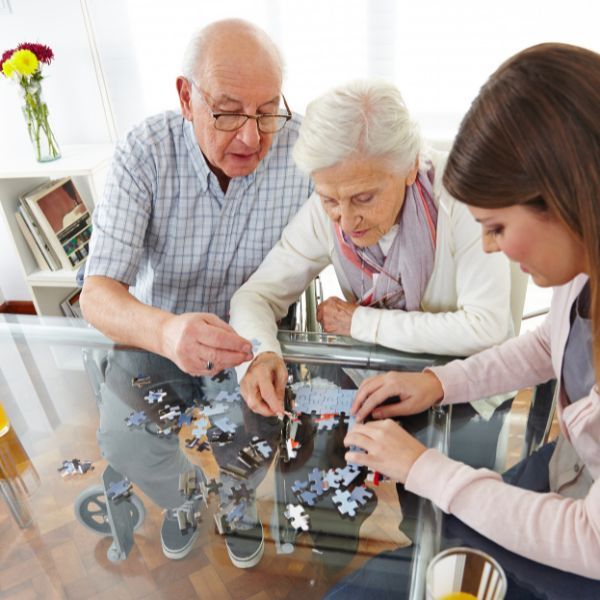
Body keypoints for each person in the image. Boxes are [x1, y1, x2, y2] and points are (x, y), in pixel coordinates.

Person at [341, 43, 600, 589]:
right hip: (564, 471)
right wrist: (438, 382)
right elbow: (544, 345)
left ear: (563, 198)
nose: (486, 247)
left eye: (497, 227)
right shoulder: (582, 265)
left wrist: (423, 468)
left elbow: (589, 541)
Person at [80, 19, 313, 567]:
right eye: (229, 111)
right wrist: (166, 329)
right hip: (155, 332)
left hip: (247, 340)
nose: (252, 137)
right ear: (186, 97)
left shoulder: (305, 148)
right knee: (126, 442)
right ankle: (182, 497)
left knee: (256, 439)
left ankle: (235, 502)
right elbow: (96, 294)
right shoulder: (144, 150)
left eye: (267, 111)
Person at [229, 79, 517, 418]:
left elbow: (486, 328)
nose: (347, 223)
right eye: (329, 200)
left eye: (364, 198)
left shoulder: (464, 196)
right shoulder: (329, 207)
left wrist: (361, 323)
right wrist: (260, 355)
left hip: (468, 393)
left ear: (410, 167)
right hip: (373, 382)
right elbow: (255, 296)